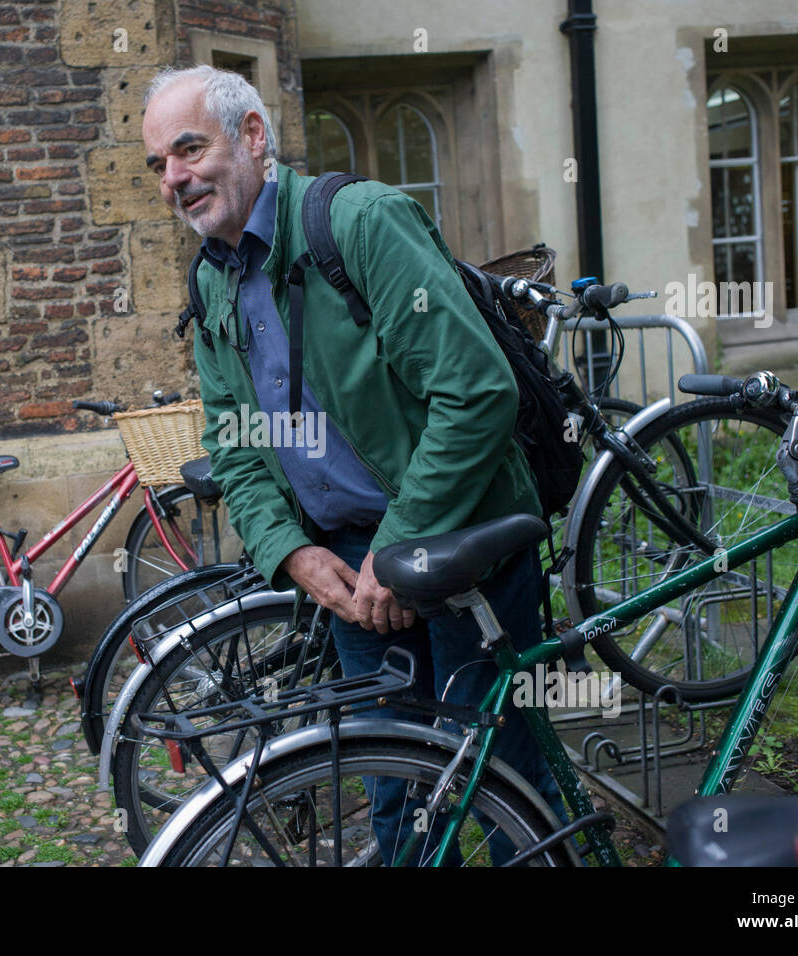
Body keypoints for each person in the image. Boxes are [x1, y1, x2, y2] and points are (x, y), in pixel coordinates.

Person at [141, 64, 565, 864]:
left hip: (457, 542)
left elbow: (475, 394)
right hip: (343, 568)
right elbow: (233, 445)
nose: (174, 178)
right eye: (159, 165)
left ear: (253, 137)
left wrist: (399, 545)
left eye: (189, 150)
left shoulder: (360, 224)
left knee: (499, 780)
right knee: (393, 787)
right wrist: (294, 554)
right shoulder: (212, 280)